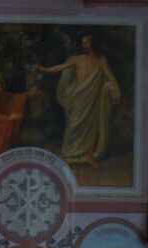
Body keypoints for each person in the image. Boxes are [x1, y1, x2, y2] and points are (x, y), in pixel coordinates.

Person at [33, 34, 121, 168]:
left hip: (92, 99)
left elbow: (110, 76)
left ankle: (89, 156)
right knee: (73, 125)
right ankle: (68, 154)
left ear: (93, 43)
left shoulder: (101, 60)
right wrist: (45, 69)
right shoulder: (76, 59)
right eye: (82, 43)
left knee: (91, 128)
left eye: (86, 43)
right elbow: (61, 67)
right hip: (78, 97)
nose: (83, 45)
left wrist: (112, 88)